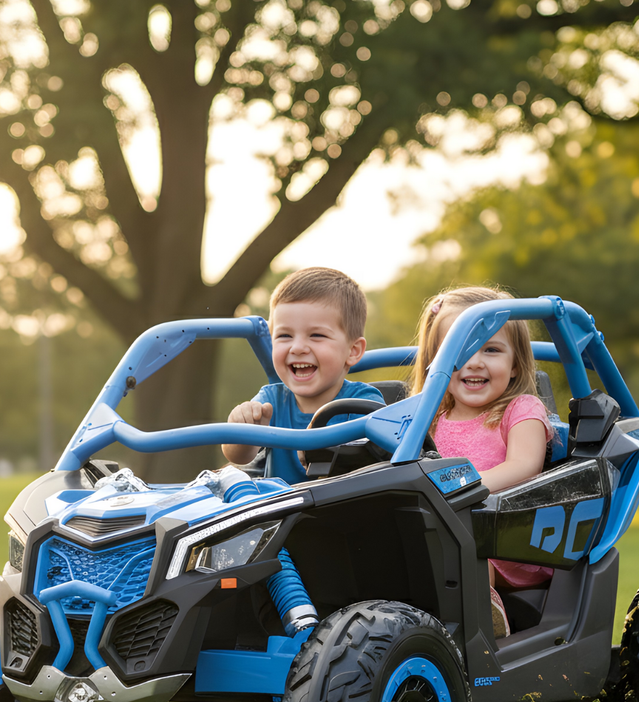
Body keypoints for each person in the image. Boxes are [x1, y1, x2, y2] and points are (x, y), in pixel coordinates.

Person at [410, 285, 554, 639]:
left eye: (491, 349)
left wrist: (461, 487)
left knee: (467, 539)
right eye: (460, 350)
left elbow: (525, 465)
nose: (475, 361)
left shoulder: (521, 409)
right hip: (439, 531)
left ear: (515, 362)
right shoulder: (427, 416)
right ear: (436, 361)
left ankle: (486, 614)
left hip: (509, 538)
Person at [222, 267, 386, 485]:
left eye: (316, 335)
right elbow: (238, 457)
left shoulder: (362, 402)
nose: (297, 347)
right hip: (281, 513)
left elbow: (381, 459)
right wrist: (240, 427)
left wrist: (325, 447)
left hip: (341, 509)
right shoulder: (271, 401)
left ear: (353, 351)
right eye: (284, 335)